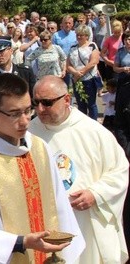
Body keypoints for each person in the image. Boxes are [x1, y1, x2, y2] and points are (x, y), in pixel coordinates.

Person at [0, 73, 85, 264]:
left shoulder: (40, 148)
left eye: (28, 110)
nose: (24, 121)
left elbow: (59, 205)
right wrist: (21, 242)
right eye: (14, 114)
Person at [30, 75, 129, 264]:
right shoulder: (28, 134)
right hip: (45, 223)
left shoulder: (94, 132)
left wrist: (96, 194)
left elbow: (120, 170)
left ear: (66, 99)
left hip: (86, 222)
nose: (40, 109)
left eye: (47, 103)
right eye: (36, 103)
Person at [0, 36, 36, 124]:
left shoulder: (25, 72)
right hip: (2, 126)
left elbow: (34, 101)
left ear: (11, 50)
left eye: (1, 51)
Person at [66, 24, 100, 120]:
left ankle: (93, 123)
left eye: (81, 35)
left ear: (87, 36)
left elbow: (94, 62)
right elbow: (68, 64)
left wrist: (80, 73)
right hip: (76, 80)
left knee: (91, 104)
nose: (79, 37)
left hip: (89, 79)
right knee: (81, 104)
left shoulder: (92, 46)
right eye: (78, 35)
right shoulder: (73, 47)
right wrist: (75, 73)